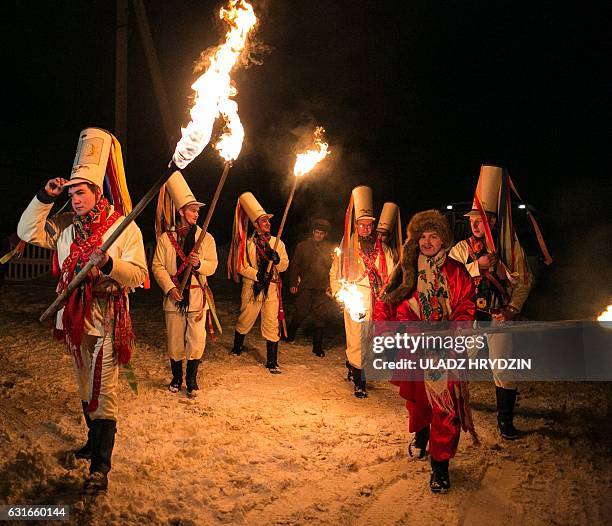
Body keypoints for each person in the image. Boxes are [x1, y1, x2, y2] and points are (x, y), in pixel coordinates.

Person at [17, 127, 148, 493]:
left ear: (97, 192)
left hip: (107, 317)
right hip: (75, 319)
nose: (75, 199)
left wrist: (108, 265)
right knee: (83, 384)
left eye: (81, 192)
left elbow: (137, 274)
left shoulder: (123, 228)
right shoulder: (66, 230)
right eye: (71, 193)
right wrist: (46, 196)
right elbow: (28, 232)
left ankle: (100, 468)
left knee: (104, 391)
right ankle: (92, 442)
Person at [375, 209, 476, 493]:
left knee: (444, 409)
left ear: (443, 240)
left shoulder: (456, 272)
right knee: (419, 402)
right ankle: (421, 435)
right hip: (412, 347)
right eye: (423, 237)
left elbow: (466, 307)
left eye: (433, 236)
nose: (427, 242)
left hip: (443, 352)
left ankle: (440, 466)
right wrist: (387, 340)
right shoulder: (406, 269)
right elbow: (385, 305)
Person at [449, 165, 534, 440]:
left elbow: (524, 281)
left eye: (483, 220)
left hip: (499, 317)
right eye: (474, 219)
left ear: (494, 222)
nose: (477, 224)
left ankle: (505, 424)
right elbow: (448, 280)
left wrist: (512, 309)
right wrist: (477, 266)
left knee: (505, 369)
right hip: (470, 318)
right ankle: (449, 409)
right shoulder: (460, 249)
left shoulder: (510, 249)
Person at [152, 171, 218, 397]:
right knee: (175, 340)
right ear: (181, 212)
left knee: (197, 340)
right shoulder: (165, 239)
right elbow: (158, 266)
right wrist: (170, 288)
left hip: (197, 297)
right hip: (174, 298)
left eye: (198, 210)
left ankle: (191, 379)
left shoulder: (206, 238)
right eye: (193, 209)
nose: (197, 213)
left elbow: (213, 266)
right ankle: (176, 377)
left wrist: (199, 263)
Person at [329, 186, 395, 398]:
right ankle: (360, 381)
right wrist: (339, 293)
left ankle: (353, 366)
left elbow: (391, 274)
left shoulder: (383, 249)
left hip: (375, 298)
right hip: (354, 296)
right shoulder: (347, 247)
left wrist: (388, 292)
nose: (366, 229)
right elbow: (334, 271)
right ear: (355, 225)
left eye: (369, 225)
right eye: (362, 225)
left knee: (367, 339)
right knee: (357, 337)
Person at [228, 192, 289, 373]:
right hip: (252, 287)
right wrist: (257, 275)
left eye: (268, 221)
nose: (268, 224)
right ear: (256, 225)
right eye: (264, 221)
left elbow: (285, 265)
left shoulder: (278, 243)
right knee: (246, 318)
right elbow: (241, 266)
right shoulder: (247, 244)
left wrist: (277, 260)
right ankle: (238, 346)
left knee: (271, 323)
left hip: (271, 288)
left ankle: (272, 361)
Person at [286, 218, 334, 357]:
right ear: (313, 232)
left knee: (320, 316)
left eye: (322, 233)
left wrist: (331, 286)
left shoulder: (329, 248)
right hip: (306, 285)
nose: (319, 235)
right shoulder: (302, 246)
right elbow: (295, 265)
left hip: (322, 287)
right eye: (317, 232)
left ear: (325, 235)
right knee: (301, 311)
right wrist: (293, 283)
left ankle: (317, 347)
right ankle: (290, 334)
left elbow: (333, 268)